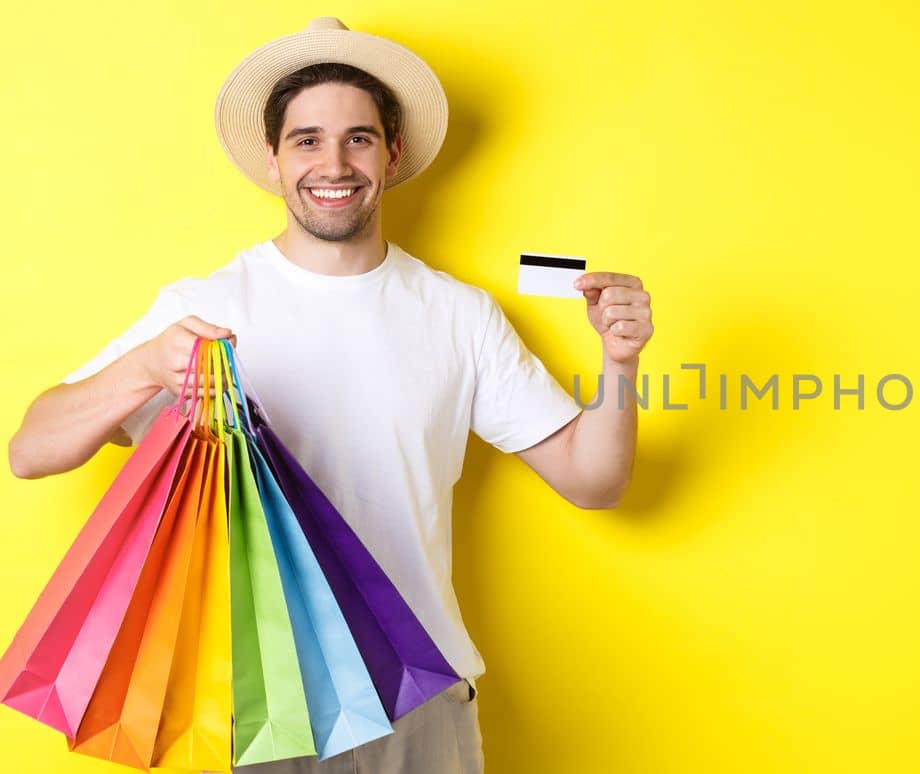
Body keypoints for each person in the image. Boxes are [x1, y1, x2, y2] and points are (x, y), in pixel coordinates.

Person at [5, 17, 654, 773]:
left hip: (420, 703)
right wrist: (147, 366)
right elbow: (30, 450)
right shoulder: (207, 303)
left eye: (359, 137)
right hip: (259, 705)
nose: (333, 162)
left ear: (392, 154)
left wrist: (620, 363)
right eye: (307, 140)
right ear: (275, 161)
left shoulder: (459, 314)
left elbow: (595, 480)